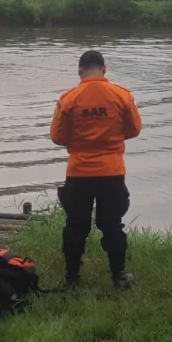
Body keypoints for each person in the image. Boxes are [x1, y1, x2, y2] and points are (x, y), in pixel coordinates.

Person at [49, 50, 142, 290]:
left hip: (79, 172)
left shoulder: (69, 99)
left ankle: (71, 278)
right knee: (112, 224)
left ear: (80, 71)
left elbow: (58, 137)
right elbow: (133, 130)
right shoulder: (122, 96)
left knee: (75, 225)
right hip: (112, 171)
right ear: (104, 69)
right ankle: (119, 277)